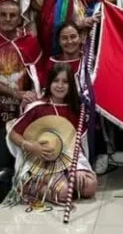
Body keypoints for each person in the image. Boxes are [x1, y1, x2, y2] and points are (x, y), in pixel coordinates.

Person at [6, 62, 97, 204]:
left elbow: (77, 144)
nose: (60, 85)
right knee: (64, 193)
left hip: (68, 159)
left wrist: (76, 169)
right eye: (56, 81)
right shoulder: (38, 107)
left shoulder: (75, 110)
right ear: (49, 83)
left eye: (65, 82)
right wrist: (29, 146)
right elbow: (13, 133)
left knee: (89, 187)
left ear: (71, 85)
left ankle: (62, 182)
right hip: (42, 161)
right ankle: (27, 185)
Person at [0, 0, 42, 171]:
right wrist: (15, 93)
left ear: (19, 19)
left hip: (23, 113)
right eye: (3, 15)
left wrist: (32, 95)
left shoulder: (30, 43)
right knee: (1, 164)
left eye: (12, 15)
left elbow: (38, 77)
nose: (7, 19)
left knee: (23, 163)